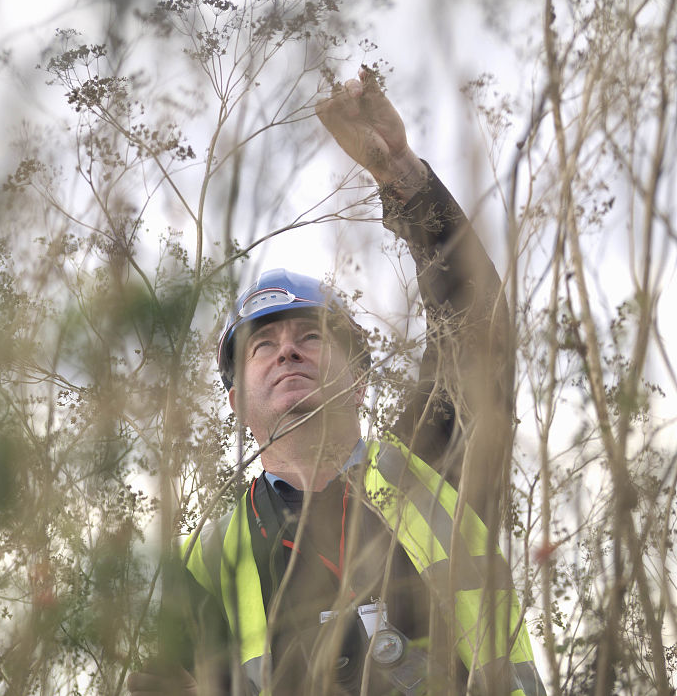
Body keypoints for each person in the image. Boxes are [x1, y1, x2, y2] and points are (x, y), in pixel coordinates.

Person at [128, 70, 545, 695]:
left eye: (314, 337)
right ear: (238, 402)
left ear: (359, 381)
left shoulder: (431, 466)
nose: (288, 351)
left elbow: (478, 331)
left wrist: (400, 172)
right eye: (262, 346)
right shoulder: (204, 565)